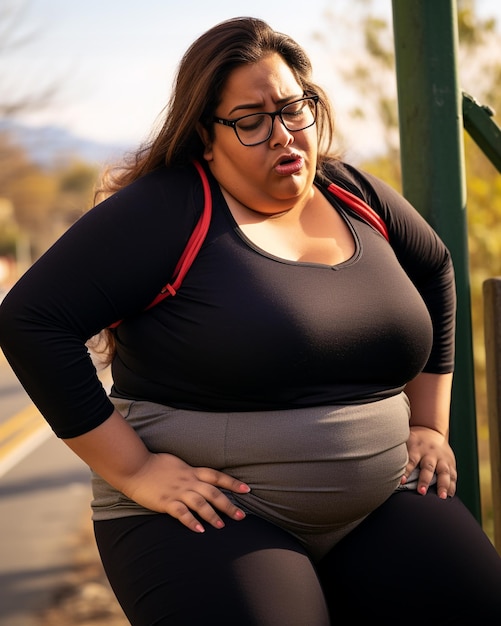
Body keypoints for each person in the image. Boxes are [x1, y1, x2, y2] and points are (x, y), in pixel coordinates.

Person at [1, 16, 500, 626]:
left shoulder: (355, 195)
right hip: (214, 520)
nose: (284, 135)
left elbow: (436, 268)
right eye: (251, 120)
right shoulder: (168, 211)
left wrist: (429, 424)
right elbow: (31, 320)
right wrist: (133, 470)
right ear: (205, 136)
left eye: (294, 109)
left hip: (382, 501)